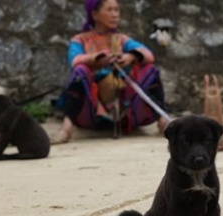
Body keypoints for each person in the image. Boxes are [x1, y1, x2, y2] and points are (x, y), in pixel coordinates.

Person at [51, 0, 167, 144]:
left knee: (150, 70)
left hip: (125, 108)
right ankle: (66, 129)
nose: (115, 15)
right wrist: (97, 59)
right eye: (109, 10)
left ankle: (163, 123)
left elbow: (148, 55)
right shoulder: (80, 39)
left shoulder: (122, 39)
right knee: (80, 71)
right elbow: (74, 60)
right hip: (92, 110)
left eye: (117, 10)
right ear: (95, 14)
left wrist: (130, 57)